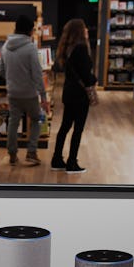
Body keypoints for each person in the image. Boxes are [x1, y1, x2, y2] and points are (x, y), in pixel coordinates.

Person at [0, 14, 50, 166]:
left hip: (13, 92)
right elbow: (37, 74)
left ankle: (12, 155)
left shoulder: (5, 46)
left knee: (13, 122)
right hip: (29, 94)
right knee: (37, 119)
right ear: (29, 30)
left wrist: (12, 79)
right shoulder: (30, 48)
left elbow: (1, 70)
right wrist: (44, 97)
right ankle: (32, 152)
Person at [51, 18, 97, 174]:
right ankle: (72, 162)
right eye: (84, 28)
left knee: (65, 126)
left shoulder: (67, 49)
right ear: (80, 31)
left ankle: (57, 159)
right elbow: (86, 75)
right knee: (78, 129)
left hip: (69, 92)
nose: (87, 30)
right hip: (79, 95)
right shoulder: (81, 48)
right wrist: (94, 79)